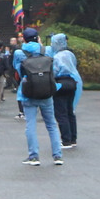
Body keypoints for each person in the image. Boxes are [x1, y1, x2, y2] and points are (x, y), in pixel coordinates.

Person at [14, 28, 63, 166]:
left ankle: (34, 156)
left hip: (27, 92)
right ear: (37, 38)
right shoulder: (46, 50)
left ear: (23, 39)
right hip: (46, 91)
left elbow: (17, 69)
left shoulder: (19, 53)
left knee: (30, 125)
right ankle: (57, 155)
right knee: (51, 124)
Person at [49, 33, 82, 148]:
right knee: (70, 111)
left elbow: (55, 71)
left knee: (61, 112)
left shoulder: (57, 56)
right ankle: (73, 138)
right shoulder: (70, 54)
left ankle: (66, 140)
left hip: (60, 83)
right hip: (72, 82)